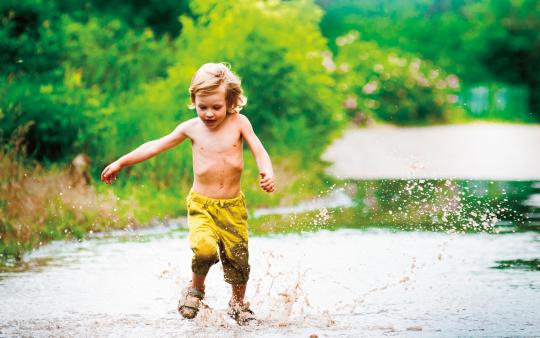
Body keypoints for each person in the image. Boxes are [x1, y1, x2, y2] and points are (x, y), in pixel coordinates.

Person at [100, 63, 275, 325]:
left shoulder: (240, 123)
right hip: (201, 205)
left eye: (216, 107)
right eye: (203, 106)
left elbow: (259, 150)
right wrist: (121, 162)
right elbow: (155, 146)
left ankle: (238, 304)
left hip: (232, 207)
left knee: (238, 259)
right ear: (194, 101)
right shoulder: (191, 128)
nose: (209, 113)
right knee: (204, 250)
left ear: (230, 101)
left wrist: (266, 171)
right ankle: (196, 290)